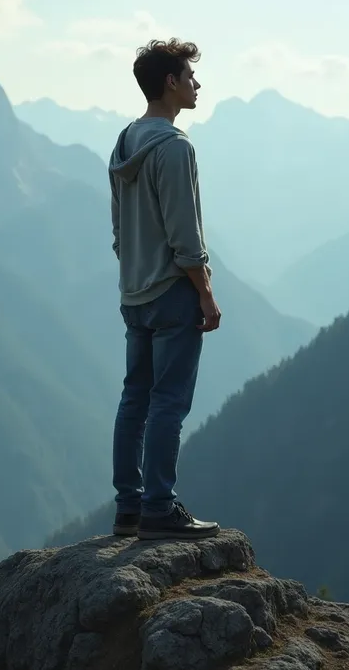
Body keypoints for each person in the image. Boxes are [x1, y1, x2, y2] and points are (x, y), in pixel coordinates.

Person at [108, 38, 221, 541]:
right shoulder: (174, 149)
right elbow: (185, 236)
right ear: (171, 83)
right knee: (168, 402)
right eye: (190, 77)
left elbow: (118, 227)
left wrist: (133, 267)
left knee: (134, 399)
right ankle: (159, 506)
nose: (197, 85)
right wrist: (205, 292)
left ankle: (128, 509)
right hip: (172, 291)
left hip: (133, 291)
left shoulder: (124, 142)